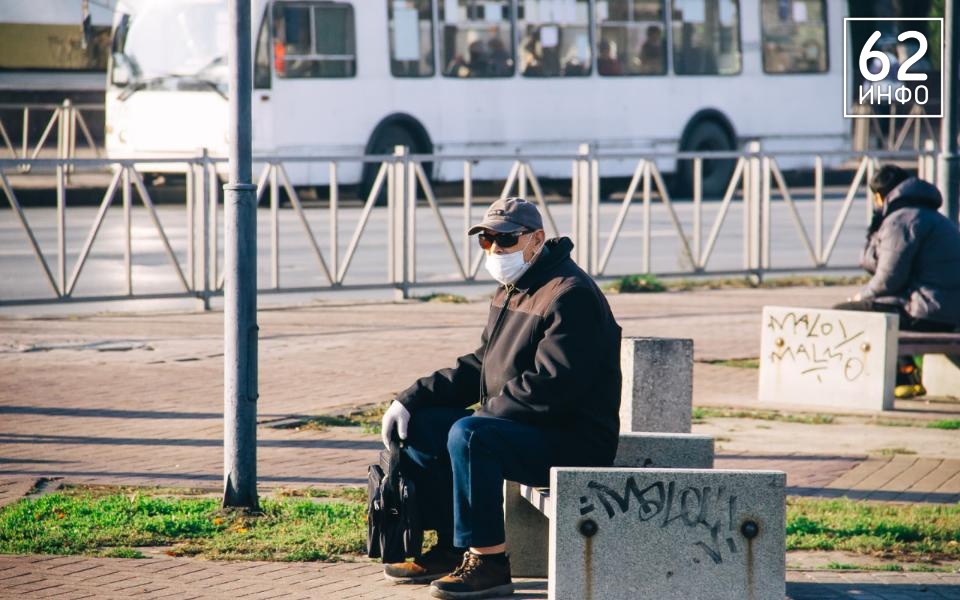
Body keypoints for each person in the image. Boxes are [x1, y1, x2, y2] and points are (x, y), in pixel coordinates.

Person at [380, 197, 622, 599]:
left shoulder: (569, 294)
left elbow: (552, 386)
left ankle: (489, 562)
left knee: (470, 435)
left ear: (537, 240)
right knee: (425, 425)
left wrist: (480, 420)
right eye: (486, 240)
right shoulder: (514, 288)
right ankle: (450, 549)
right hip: (528, 427)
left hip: (574, 439)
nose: (494, 250)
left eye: (505, 239)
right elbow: (482, 366)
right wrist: (410, 399)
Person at [834, 165, 960, 396]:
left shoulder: (901, 220)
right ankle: (906, 372)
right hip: (947, 309)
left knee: (843, 312)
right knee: (885, 309)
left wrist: (861, 296)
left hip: (929, 312)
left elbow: (888, 280)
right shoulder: (931, 216)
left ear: (880, 197)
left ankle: (894, 377)